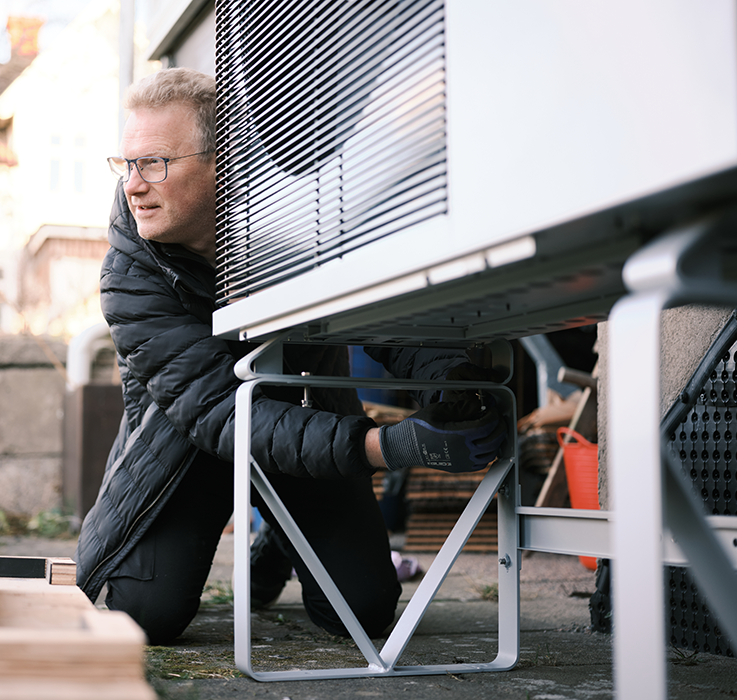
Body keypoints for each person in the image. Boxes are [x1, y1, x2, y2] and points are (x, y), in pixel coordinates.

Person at [74, 67, 504, 645]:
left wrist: (450, 387)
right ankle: (277, 528)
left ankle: (280, 533)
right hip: (188, 446)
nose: (133, 184)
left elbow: (384, 315)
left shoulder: (302, 216)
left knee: (364, 613)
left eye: (155, 163)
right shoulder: (131, 274)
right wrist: (384, 446)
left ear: (221, 156)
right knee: (142, 616)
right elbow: (214, 414)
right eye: (127, 164)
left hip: (303, 422)